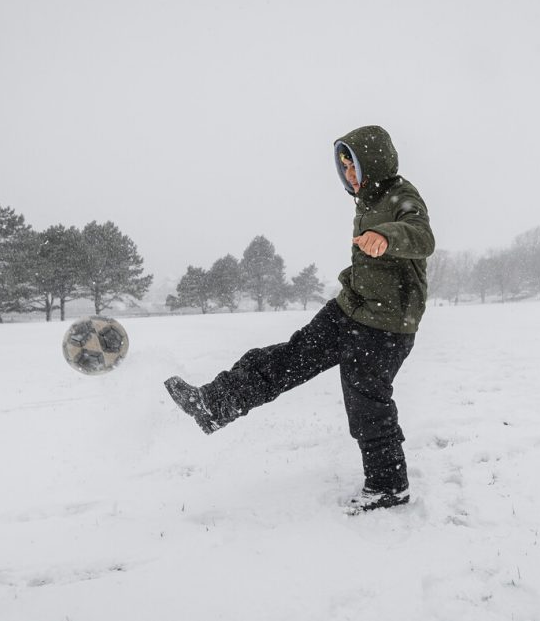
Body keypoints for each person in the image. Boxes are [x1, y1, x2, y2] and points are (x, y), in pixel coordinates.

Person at [164, 125, 434, 513]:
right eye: (344, 167)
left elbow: (422, 235)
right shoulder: (366, 200)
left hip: (385, 326)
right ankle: (213, 403)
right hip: (349, 310)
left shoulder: (402, 196)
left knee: (366, 400)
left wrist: (388, 236)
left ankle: (389, 486)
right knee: (288, 357)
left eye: (354, 165)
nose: (349, 175)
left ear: (374, 163)